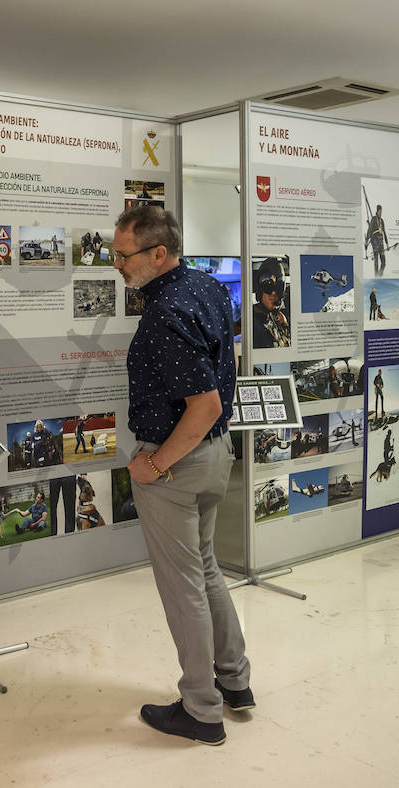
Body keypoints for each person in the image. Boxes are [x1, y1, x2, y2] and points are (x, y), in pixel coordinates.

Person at [112, 205, 251, 746]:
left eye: (123, 257)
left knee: (184, 586)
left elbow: (206, 404)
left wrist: (154, 464)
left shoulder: (166, 314)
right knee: (208, 570)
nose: (118, 266)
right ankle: (234, 681)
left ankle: (200, 709)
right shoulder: (208, 289)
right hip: (214, 459)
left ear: (158, 254)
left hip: (178, 462)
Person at [250, 257, 291, 348]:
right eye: (267, 286)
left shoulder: (284, 317)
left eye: (278, 287)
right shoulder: (251, 320)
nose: (273, 293)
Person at [366, 204, 390, 275]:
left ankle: (380, 275)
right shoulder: (373, 219)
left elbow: (384, 232)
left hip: (381, 242)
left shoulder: (382, 221)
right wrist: (367, 240)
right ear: (377, 211)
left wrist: (387, 244)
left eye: (381, 211)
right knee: (376, 262)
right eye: (379, 211)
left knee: (383, 262)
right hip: (375, 241)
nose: (380, 213)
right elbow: (369, 230)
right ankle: (376, 276)